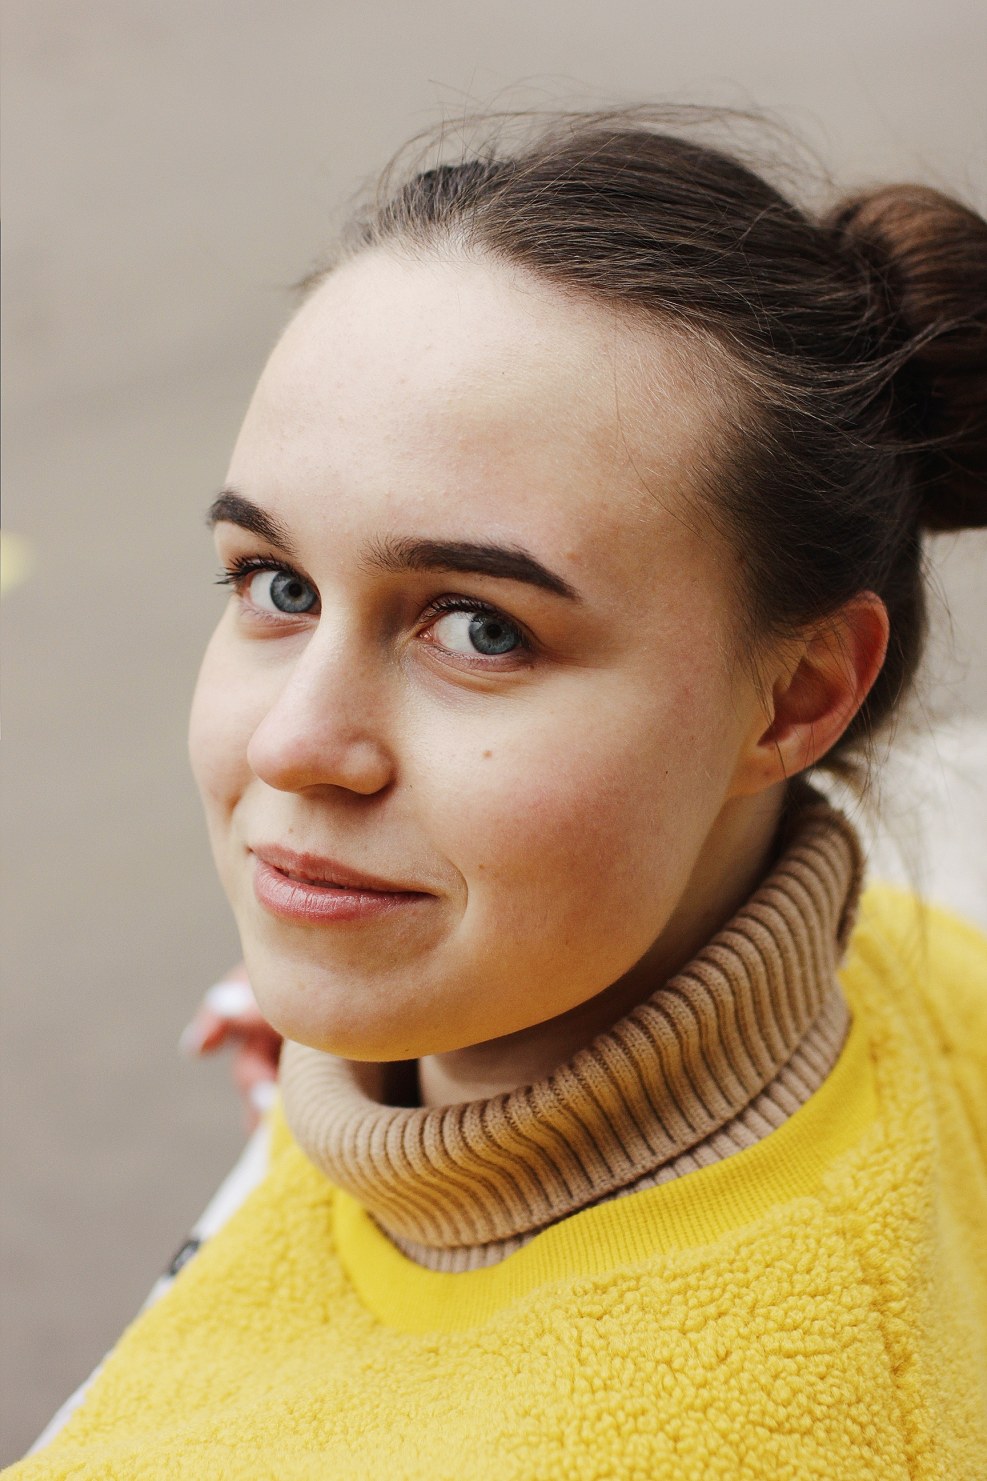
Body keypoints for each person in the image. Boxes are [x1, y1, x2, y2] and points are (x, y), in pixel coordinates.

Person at [17, 108, 987, 1479]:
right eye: (275, 586)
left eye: (480, 628)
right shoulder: (898, 993)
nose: (298, 744)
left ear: (800, 692)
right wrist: (349, 1087)